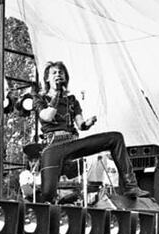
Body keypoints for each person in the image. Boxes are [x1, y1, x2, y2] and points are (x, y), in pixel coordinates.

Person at [33, 61, 149, 202]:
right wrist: (57, 93)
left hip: (72, 143)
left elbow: (80, 124)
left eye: (61, 72)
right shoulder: (40, 99)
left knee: (115, 138)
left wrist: (87, 123)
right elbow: (47, 116)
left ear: (65, 77)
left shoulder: (72, 100)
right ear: (47, 79)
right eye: (54, 73)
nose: (58, 75)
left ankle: (131, 186)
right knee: (47, 196)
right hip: (52, 147)